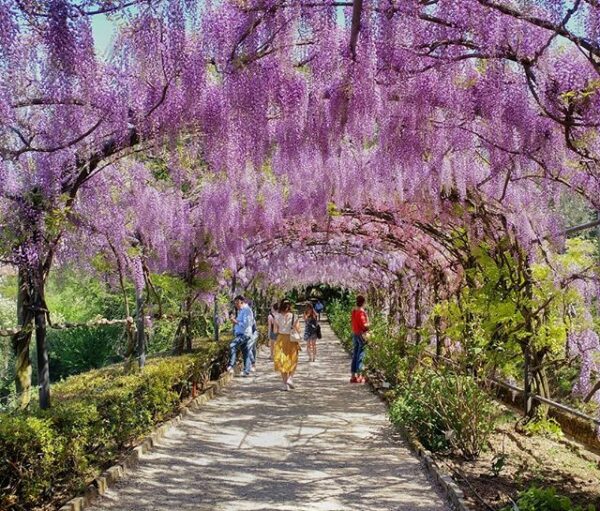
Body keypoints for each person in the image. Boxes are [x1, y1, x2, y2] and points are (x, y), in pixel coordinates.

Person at [273, 300, 301, 391]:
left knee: (282, 361)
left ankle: (285, 384)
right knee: (293, 360)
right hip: (291, 340)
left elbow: (275, 331)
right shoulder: (294, 316)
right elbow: (298, 330)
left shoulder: (276, 317)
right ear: (289, 306)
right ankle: (290, 378)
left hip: (281, 339)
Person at [227, 295, 255, 376]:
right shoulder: (242, 310)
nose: (236, 305)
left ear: (241, 302)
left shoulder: (247, 310)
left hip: (244, 334)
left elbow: (246, 324)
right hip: (241, 334)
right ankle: (246, 371)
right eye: (235, 303)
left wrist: (235, 321)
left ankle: (231, 365)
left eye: (237, 303)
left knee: (232, 345)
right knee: (245, 352)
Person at [350, 295, 369, 383]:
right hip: (361, 335)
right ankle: (359, 375)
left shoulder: (354, 311)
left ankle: (353, 376)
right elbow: (364, 325)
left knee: (355, 355)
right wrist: (369, 324)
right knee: (361, 354)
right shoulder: (361, 312)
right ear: (363, 302)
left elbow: (353, 322)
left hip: (355, 333)